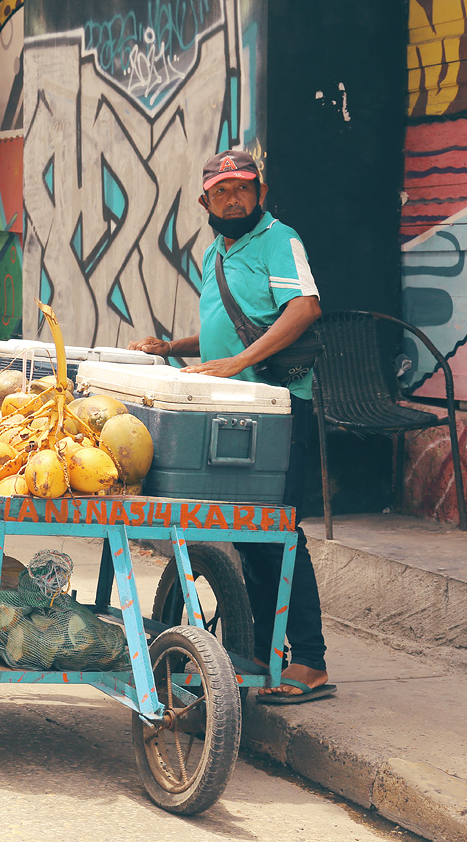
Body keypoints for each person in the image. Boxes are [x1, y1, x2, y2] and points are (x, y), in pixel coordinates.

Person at [129, 149, 335, 704]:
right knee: (250, 534)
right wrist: (172, 347)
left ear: (260, 192)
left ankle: (310, 662)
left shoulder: (279, 239)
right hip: (235, 407)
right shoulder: (215, 253)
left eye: (243, 188)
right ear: (206, 202)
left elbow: (303, 309)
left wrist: (238, 364)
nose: (234, 198)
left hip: (280, 405)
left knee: (278, 533)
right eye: (222, 192)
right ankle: (271, 656)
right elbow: (226, 334)